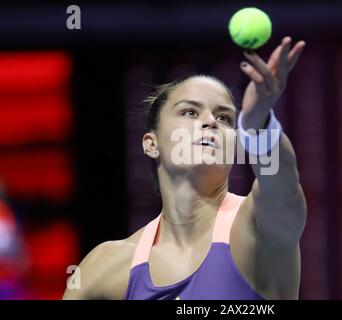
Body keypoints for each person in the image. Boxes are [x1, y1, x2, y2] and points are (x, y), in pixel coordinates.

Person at [63, 36, 307, 300]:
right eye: (190, 112)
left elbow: (282, 190)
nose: (210, 122)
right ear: (151, 143)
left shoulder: (257, 226)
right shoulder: (105, 266)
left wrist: (259, 124)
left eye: (224, 117)